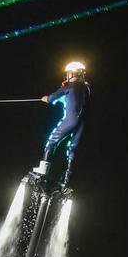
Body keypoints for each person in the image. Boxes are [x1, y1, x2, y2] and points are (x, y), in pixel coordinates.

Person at [30, 61, 90, 189]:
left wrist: (46, 98)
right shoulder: (86, 88)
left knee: (51, 141)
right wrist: (63, 100)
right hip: (82, 123)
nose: (67, 76)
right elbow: (77, 101)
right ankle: (67, 181)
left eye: (69, 73)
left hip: (70, 120)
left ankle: (43, 169)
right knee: (72, 149)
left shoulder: (69, 86)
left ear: (73, 73)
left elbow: (52, 98)